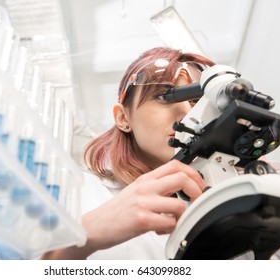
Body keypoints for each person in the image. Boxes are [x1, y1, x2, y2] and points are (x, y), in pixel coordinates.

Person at [42, 47, 215, 260]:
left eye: (195, 102)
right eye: (164, 96)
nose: (187, 113)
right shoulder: (75, 194)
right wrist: (85, 235)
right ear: (123, 118)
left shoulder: (226, 194)